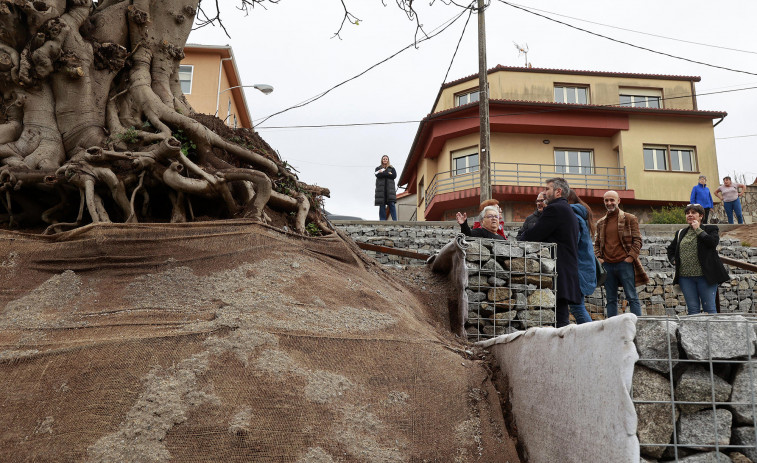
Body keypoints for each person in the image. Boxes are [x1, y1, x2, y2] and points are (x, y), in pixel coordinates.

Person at [521, 178, 581, 328]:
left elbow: (535, 234)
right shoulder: (567, 209)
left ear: (558, 191)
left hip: (559, 268)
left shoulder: (555, 209)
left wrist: (520, 238)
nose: (545, 192)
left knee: (560, 319)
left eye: (547, 189)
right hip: (567, 267)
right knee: (561, 315)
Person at [666, 203, 729, 314]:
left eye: (693, 213)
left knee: (709, 308)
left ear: (701, 216)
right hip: (685, 278)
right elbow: (671, 249)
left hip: (706, 277)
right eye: (687, 213)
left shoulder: (710, 229)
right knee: (692, 309)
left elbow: (712, 243)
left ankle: (712, 331)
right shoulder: (680, 233)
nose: (689, 215)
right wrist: (673, 260)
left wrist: (698, 230)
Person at [594, 190, 649, 317]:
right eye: (606, 200)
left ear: (618, 201)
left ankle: (637, 325)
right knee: (611, 299)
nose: (609, 203)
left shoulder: (630, 218)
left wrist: (630, 258)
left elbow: (637, 240)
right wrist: (599, 258)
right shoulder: (601, 222)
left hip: (624, 264)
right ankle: (612, 328)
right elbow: (596, 244)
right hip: (607, 265)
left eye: (612, 200)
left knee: (632, 297)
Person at [566, 190, 595, 324]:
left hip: (578, 268)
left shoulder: (574, 217)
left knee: (577, 307)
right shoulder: (581, 215)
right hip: (584, 267)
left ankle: (593, 338)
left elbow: (572, 242)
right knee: (577, 306)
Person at [374, 155, 397, 220]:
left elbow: (394, 176)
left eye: (386, 159)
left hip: (390, 190)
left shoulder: (392, 168)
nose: (385, 160)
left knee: (392, 204)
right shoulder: (378, 168)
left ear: (388, 160)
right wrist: (388, 174)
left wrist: (383, 173)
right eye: (384, 159)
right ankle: (382, 220)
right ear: (382, 160)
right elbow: (377, 174)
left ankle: (395, 220)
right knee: (382, 205)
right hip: (381, 190)